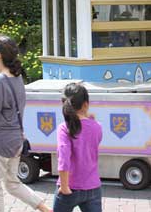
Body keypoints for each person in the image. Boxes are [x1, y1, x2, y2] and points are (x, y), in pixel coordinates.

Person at [0, 34, 51, 212]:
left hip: (0, 141)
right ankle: (46, 209)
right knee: (12, 183)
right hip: (17, 138)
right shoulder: (17, 78)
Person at [54, 83, 103, 212]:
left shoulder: (64, 128)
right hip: (93, 187)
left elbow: (63, 158)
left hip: (69, 187)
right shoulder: (97, 127)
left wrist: (64, 186)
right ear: (86, 104)